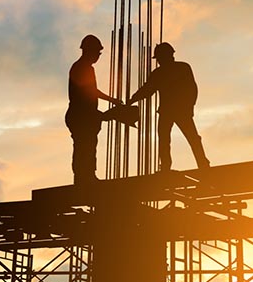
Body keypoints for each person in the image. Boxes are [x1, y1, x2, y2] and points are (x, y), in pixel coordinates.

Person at [128, 42, 210, 172]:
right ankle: (194, 164)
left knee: (184, 138)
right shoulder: (168, 71)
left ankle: (200, 163)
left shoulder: (178, 69)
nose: (159, 61)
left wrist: (190, 107)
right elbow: (147, 90)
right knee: (169, 139)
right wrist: (133, 98)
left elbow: (191, 89)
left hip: (176, 110)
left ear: (167, 56)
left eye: (159, 58)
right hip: (172, 111)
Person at [65, 34, 125, 185]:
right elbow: (90, 92)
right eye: (97, 52)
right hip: (81, 116)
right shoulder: (82, 68)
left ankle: (86, 176)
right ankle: (83, 178)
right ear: (89, 51)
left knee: (88, 145)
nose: (98, 56)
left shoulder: (83, 67)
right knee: (84, 146)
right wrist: (113, 101)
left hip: (84, 115)